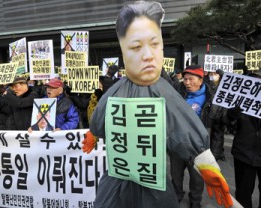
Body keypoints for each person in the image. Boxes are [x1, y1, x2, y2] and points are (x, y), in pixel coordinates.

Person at [82, 1, 233, 208]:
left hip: (150, 177)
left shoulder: (163, 90)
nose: (148, 56)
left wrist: (206, 164)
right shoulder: (117, 88)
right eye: (136, 47)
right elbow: (101, 114)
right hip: (118, 176)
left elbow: (183, 126)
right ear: (124, 52)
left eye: (155, 45)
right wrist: (94, 131)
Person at [164, 65, 215, 208]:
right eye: (185, 79)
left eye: (191, 79)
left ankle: (195, 201)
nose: (187, 82)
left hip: (198, 147)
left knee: (197, 178)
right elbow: (164, 81)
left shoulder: (211, 97)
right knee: (176, 175)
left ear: (200, 80)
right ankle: (177, 195)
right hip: (177, 143)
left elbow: (219, 121)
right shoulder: (178, 92)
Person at [226, 72, 261, 208]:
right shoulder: (237, 103)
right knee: (243, 192)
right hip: (243, 154)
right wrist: (231, 115)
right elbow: (225, 123)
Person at [207, 70, 227, 161]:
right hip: (207, 118)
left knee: (217, 139)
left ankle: (215, 156)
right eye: (211, 74)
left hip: (219, 118)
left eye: (215, 74)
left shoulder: (224, 87)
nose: (212, 76)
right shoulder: (206, 86)